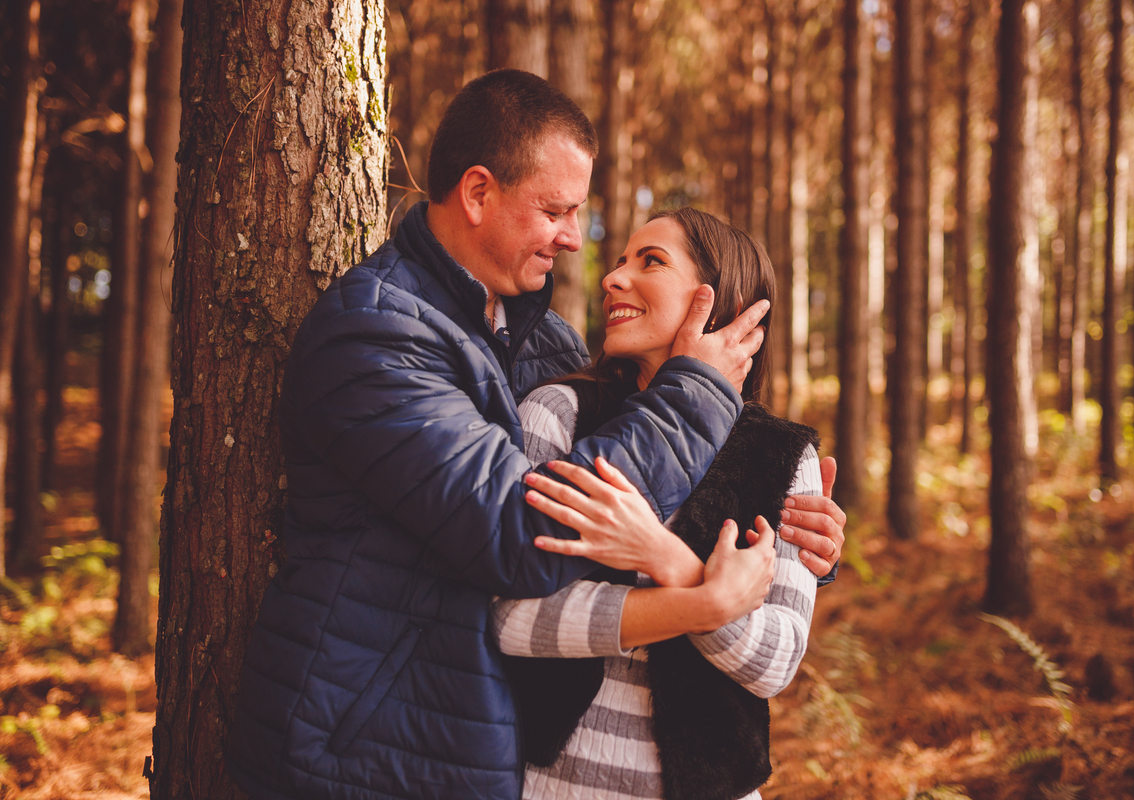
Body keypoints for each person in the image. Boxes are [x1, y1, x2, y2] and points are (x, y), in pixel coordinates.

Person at [228, 69, 844, 800]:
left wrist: (794, 547)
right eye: (555, 210)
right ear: (479, 192)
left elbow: (721, 539)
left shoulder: (543, 346)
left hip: (468, 737)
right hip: (365, 742)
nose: (578, 242)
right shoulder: (375, 335)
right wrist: (698, 588)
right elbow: (522, 534)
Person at [492, 207, 823, 800]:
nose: (612, 278)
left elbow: (776, 662)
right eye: (620, 261)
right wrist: (705, 601)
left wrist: (669, 559)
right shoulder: (557, 413)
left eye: (651, 262)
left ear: (716, 301)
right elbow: (510, 618)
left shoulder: (784, 457)